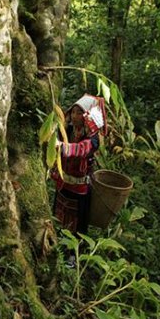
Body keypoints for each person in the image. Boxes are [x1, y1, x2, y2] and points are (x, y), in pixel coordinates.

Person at [50, 94, 106, 268]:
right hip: (63, 184)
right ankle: (58, 247)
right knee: (59, 217)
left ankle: (73, 256)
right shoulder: (67, 130)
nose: (75, 116)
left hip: (80, 188)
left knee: (77, 224)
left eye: (80, 113)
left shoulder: (94, 139)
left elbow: (82, 149)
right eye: (73, 112)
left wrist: (62, 147)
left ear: (88, 116)